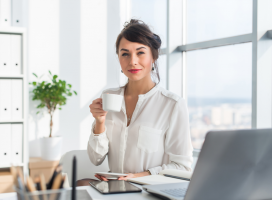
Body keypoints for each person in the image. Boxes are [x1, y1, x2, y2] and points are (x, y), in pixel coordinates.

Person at [78, 19, 193, 186]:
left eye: (140, 52)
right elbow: (96, 158)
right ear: (118, 58)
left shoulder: (172, 105)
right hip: (116, 187)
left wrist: (138, 176)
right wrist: (99, 122)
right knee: (78, 186)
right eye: (125, 54)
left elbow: (182, 167)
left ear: (153, 56)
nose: (132, 61)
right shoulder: (109, 96)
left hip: (149, 189)